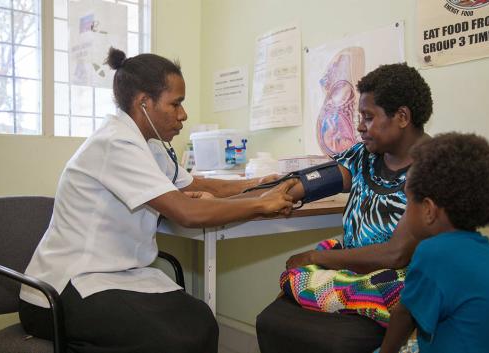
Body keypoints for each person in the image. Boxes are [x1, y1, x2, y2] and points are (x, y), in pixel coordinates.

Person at [18, 48, 296, 353]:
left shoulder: (150, 146)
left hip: (116, 277)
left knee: (200, 321)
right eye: (175, 103)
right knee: (173, 340)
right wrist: (260, 203)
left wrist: (258, 184)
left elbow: (200, 185)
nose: (183, 114)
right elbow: (186, 211)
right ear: (144, 103)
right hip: (63, 289)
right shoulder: (115, 143)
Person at [256, 63, 433, 353]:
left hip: (399, 277)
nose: (360, 127)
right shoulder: (364, 155)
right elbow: (306, 184)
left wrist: (316, 256)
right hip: (353, 268)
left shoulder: (432, 167)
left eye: (368, 117)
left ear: (402, 117)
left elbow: (396, 254)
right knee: (272, 318)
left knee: (334, 337)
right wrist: (254, 195)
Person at [379, 133, 489, 353]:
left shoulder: (434, 253)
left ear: (428, 209)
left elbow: (403, 316)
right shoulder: (488, 253)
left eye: (408, 201)